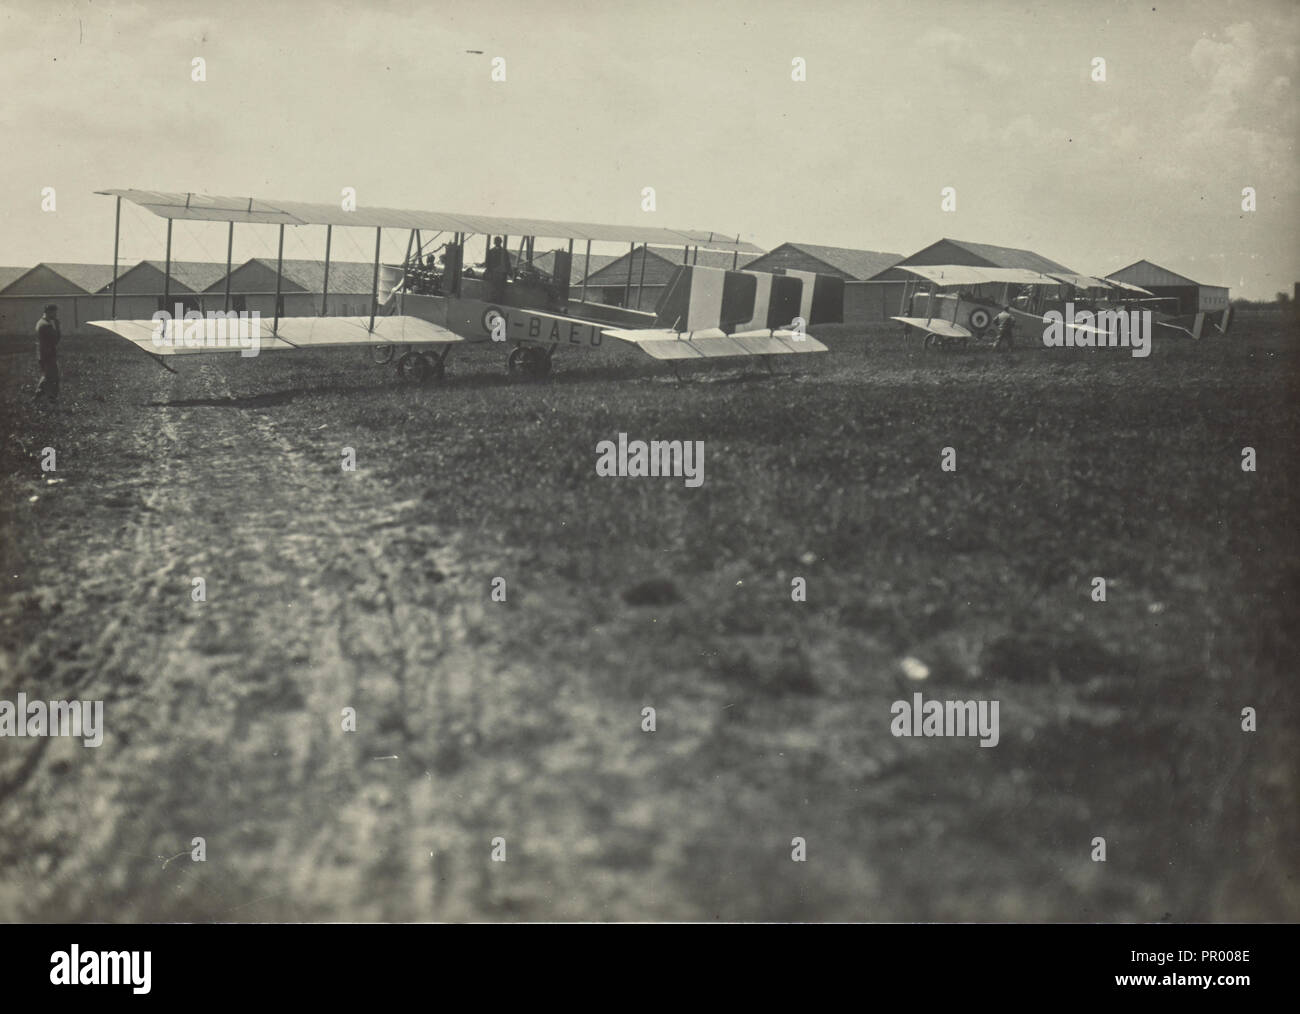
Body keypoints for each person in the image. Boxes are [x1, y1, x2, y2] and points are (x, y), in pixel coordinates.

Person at [34, 303, 61, 402]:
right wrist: (58, 327)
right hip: (48, 355)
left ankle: (38, 396)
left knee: (47, 376)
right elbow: (56, 340)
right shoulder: (46, 325)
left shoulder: (40, 322)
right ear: (49, 312)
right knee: (53, 378)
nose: (56, 314)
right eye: (54, 312)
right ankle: (51, 399)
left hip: (42, 354)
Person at [484, 236, 513, 303]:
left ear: (500, 242)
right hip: (493, 272)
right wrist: (489, 270)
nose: (497, 242)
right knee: (493, 287)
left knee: (501, 288)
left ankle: (499, 300)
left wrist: (510, 273)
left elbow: (507, 263)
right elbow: (487, 262)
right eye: (496, 241)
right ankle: (493, 300)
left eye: (498, 241)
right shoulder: (491, 251)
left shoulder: (504, 251)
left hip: (502, 273)